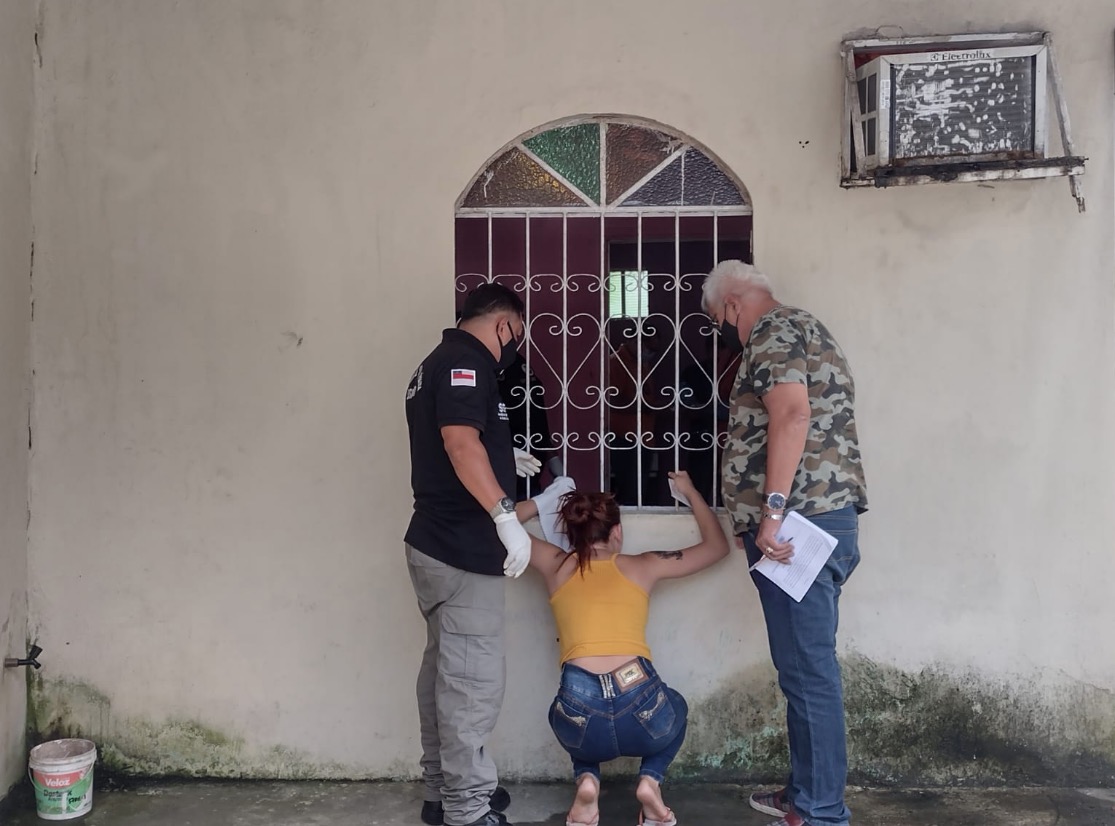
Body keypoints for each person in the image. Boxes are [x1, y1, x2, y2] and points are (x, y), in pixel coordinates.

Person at [701, 260, 868, 826]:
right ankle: (805, 796)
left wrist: (772, 513)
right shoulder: (807, 328)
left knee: (808, 672)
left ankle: (821, 812)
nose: (723, 329)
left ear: (730, 304)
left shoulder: (771, 332)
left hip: (800, 526)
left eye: (717, 319)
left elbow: (791, 415)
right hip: (823, 519)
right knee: (803, 667)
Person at [520, 470, 729, 826]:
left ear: (572, 534)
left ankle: (587, 781)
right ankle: (650, 782)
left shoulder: (554, 565)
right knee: (675, 705)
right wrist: (691, 492)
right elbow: (717, 547)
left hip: (583, 715)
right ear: (616, 532)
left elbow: (490, 529)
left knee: (570, 718)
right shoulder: (642, 565)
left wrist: (540, 502)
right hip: (641, 708)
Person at [404, 283, 541, 826]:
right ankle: (467, 809)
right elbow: (461, 444)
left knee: (442, 674)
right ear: (504, 324)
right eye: (519, 336)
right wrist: (507, 516)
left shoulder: (433, 363)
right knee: (470, 685)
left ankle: (443, 792)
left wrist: (506, 455)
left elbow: (465, 442)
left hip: (434, 543)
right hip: (462, 550)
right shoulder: (467, 362)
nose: (515, 348)